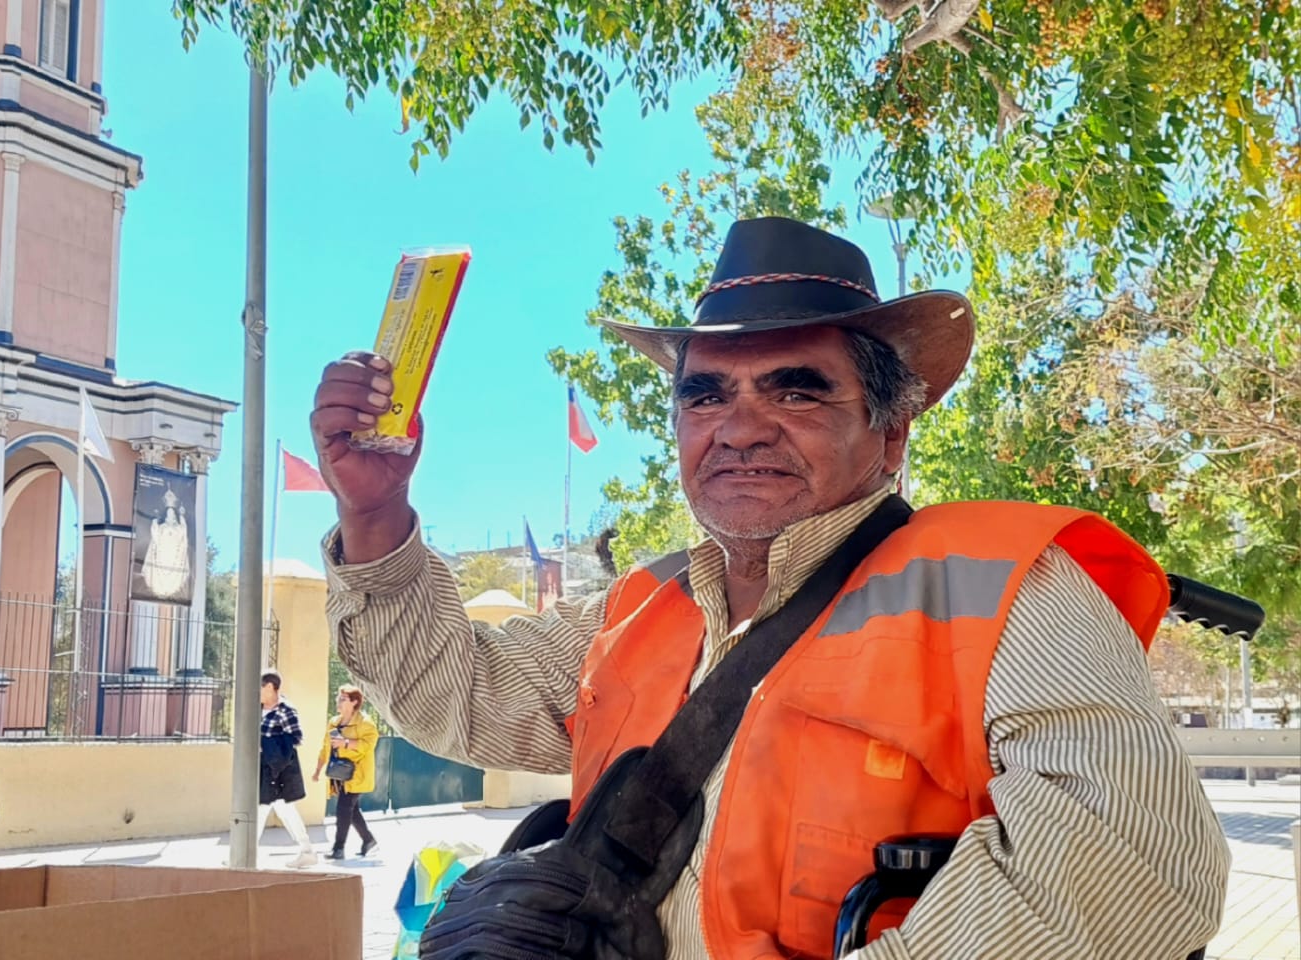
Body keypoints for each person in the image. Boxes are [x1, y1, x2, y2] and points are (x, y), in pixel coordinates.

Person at [308, 217, 1230, 958]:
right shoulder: (639, 608)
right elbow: (451, 699)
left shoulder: (1007, 590)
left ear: (890, 433)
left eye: (796, 392)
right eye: (705, 396)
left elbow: (1135, 866)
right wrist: (377, 513)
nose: (739, 429)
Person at [259, 669, 318, 868]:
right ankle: (306, 850)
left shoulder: (286, 710)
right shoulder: (258, 709)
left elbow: (296, 737)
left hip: (278, 769)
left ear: (269, 687)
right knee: (275, 809)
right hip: (264, 767)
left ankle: (246, 854)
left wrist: (268, 743)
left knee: (264, 808)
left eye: (259, 687)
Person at [313, 684, 379, 861]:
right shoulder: (334, 722)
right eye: (338, 698)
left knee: (343, 808)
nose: (338, 701)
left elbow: (368, 745)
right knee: (351, 810)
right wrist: (318, 768)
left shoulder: (365, 723)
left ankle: (338, 848)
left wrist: (346, 743)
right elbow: (326, 746)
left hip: (356, 774)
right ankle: (368, 840)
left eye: (343, 699)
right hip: (339, 774)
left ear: (354, 702)